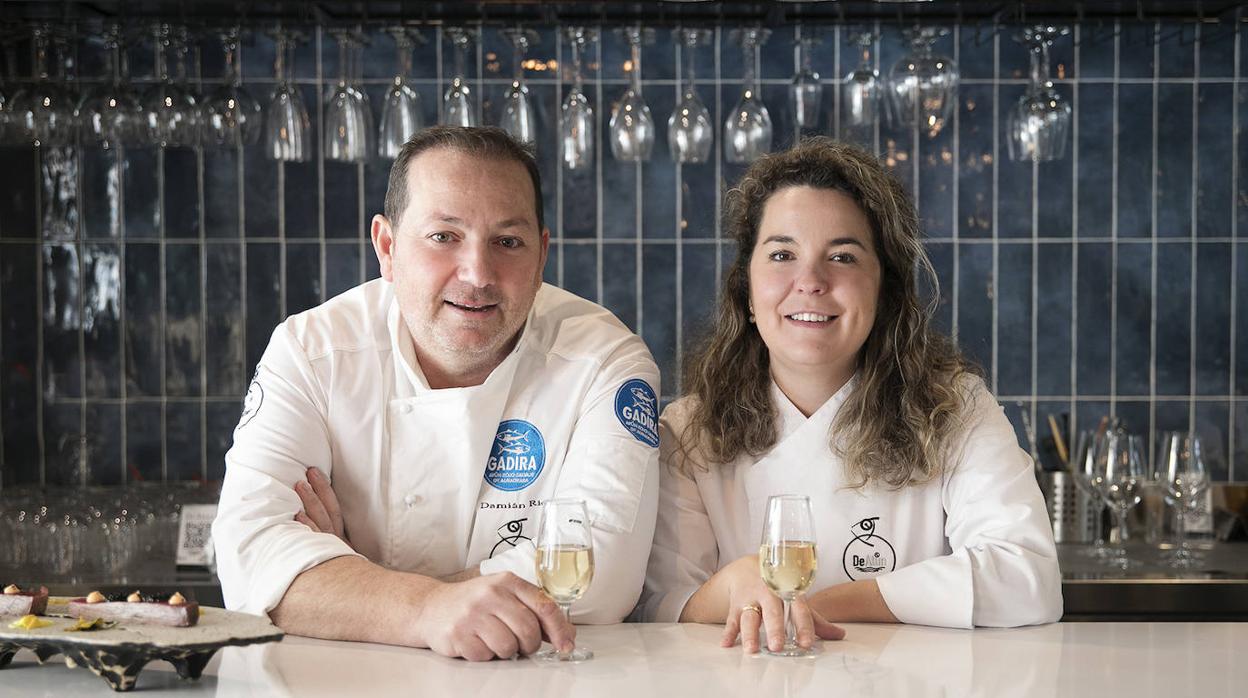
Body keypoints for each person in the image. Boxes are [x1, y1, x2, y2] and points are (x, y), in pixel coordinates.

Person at [212, 126, 661, 662]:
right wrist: (424, 608)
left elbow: (604, 574)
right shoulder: (311, 352)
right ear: (387, 246)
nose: (477, 273)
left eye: (507, 242)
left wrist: (350, 584)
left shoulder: (604, 362)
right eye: (444, 236)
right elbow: (248, 557)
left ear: (541, 256)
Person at [636, 138, 1063, 652]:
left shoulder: (956, 409)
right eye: (781, 254)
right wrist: (730, 586)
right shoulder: (689, 430)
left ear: (883, 291)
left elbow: (1028, 577)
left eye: (842, 256)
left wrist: (825, 605)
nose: (810, 281)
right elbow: (661, 603)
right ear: (747, 293)